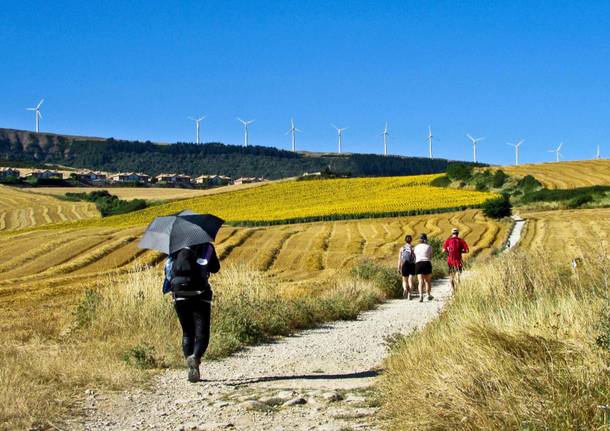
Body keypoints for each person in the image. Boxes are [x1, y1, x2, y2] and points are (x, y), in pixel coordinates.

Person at [164, 242, 220, 383]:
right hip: (200, 293)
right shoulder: (206, 246)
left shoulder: (175, 247)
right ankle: (195, 357)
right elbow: (215, 268)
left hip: (179, 293)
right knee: (202, 332)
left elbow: (168, 269)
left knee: (187, 331)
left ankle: (191, 367)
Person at [414, 233, 433, 302]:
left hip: (418, 263)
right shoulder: (429, 246)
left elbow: (415, 256)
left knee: (420, 281)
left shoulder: (416, 247)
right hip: (426, 263)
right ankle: (428, 295)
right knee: (427, 281)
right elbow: (430, 257)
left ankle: (421, 296)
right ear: (425, 240)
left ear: (419, 240)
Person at [397, 235, 415, 299]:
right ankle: (409, 294)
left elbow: (399, 259)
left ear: (405, 240)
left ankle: (405, 289)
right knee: (410, 280)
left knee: (404, 280)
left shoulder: (402, 248)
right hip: (412, 265)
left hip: (404, 265)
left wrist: (398, 268)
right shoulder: (413, 248)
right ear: (411, 240)